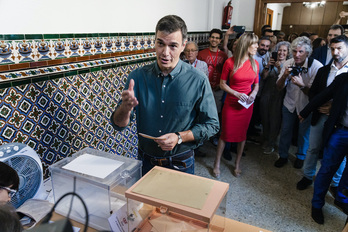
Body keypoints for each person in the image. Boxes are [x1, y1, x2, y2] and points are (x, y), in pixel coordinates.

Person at [111, 15, 219, 175]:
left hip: (181, 162)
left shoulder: (198, 80)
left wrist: (180, 137)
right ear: (154, 42)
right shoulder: (137, 78)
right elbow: (118, 125)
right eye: (160, 43)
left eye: (173, 46)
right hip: (146, 161)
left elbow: (212, 125)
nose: (165, 53)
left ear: (183, 46)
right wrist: (125, 109)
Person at [297, 35, 348, 194]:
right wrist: (319, 105)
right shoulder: (324, 70)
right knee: (313, 147)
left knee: (339, 153)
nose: (336, 52)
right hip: (320, 114)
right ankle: (307, 175)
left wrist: (333, 107)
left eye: (339, 48)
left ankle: (335, 182)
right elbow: (314, 94)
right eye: (333, 49)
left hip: (341, 120)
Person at [299, 71, 348, 225]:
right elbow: (324, 95)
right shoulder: (343, 79)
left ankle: (341, 198)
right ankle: (317, 204)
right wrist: (306, 111)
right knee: (327, 168)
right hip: (341, 131)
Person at [213, 33, 259, 178]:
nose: (257, 47)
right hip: (232, 104)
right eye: (255, 44)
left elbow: (256, 85)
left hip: (246, 105)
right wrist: (236, 93)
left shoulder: (255, 63)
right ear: (246, 45)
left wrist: (254, 94)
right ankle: (217, 163)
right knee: (225, 134)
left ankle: (238, 163)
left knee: (242, 135)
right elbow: (222, 84)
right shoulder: (230, 63)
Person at [275, 36, 323, 169]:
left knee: (304, 134)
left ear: (307, 53)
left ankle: (300, 157)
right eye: (295, 51)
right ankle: (283, 155)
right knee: (285, 131)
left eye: (301, 52)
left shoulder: (316, 66)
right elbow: (279, 87)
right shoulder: (288, 63)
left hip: (306, 105)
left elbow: (316, 94)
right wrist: (284, 75)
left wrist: (302, 85)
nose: (297, 55)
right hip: (289, 103)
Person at [259, 41, 291, 154]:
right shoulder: (271, 62)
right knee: (265, 118)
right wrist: (268, 66)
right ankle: (265, 139)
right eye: (280, 50)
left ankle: (271, 143)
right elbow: (264, 77)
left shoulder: (288, 65)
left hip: (279, 96)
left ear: (288, 53)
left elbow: (283, 83)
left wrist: (279, 69)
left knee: (275, 120)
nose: (281, 53)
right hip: (266, 94)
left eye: (284, 51)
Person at [198, 29, 228, 114]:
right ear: (209, 38)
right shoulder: (201, 53)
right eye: (212, 37)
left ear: (220, 41)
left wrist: (221, 84)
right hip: (204, 87)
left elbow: (226, 72)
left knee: (216, 110)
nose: (214, 39)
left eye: (217, 38)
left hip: (218, 88)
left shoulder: (224, 55)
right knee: (203, 110)